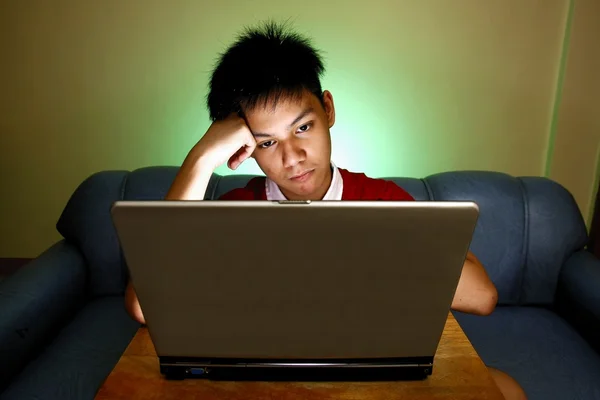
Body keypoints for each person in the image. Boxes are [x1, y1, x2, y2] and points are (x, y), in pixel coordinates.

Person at [124, 20, 526, 400]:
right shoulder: (235, 210)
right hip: (264, 371)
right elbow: (143, 306)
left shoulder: (380, 200)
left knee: (503, 388)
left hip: (367, 365)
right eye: (267, 143)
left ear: (328, 110)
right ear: (243, 149)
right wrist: (201, 158)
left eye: (303, 128)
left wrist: (345, 240)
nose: (293, 157)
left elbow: (481, 296)